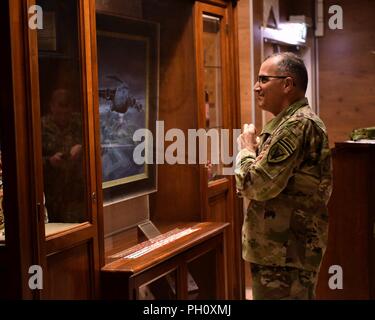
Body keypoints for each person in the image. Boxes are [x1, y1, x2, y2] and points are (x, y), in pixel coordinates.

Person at [235, 52, 333, 299]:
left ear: (287, 84)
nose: (256, 87)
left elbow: (256, 184)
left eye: (264, 79)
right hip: (282, 250)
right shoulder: (289, 123)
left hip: (285, 253)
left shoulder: (296, 125)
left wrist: (246, 151)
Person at [42, 89, 85, 223]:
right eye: (59, 113)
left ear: (71, 108)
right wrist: (49, 161)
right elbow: (27, 162)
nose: (63, 117)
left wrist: (82, 148)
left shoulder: (80, 122)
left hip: (78, 194)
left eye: (66, 113)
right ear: (52, 106)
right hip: (51, 195)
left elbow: (99, 144)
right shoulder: (39, 126)